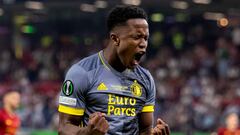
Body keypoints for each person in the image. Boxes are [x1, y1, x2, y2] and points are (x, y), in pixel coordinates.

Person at [58, 5, 170, 135]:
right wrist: (87, 133)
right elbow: (64, 128)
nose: (143, 43)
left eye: (145, 38)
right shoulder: (82, 73)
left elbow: (145, 130)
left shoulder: (146, 79)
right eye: (137, 37)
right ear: (115, 39)